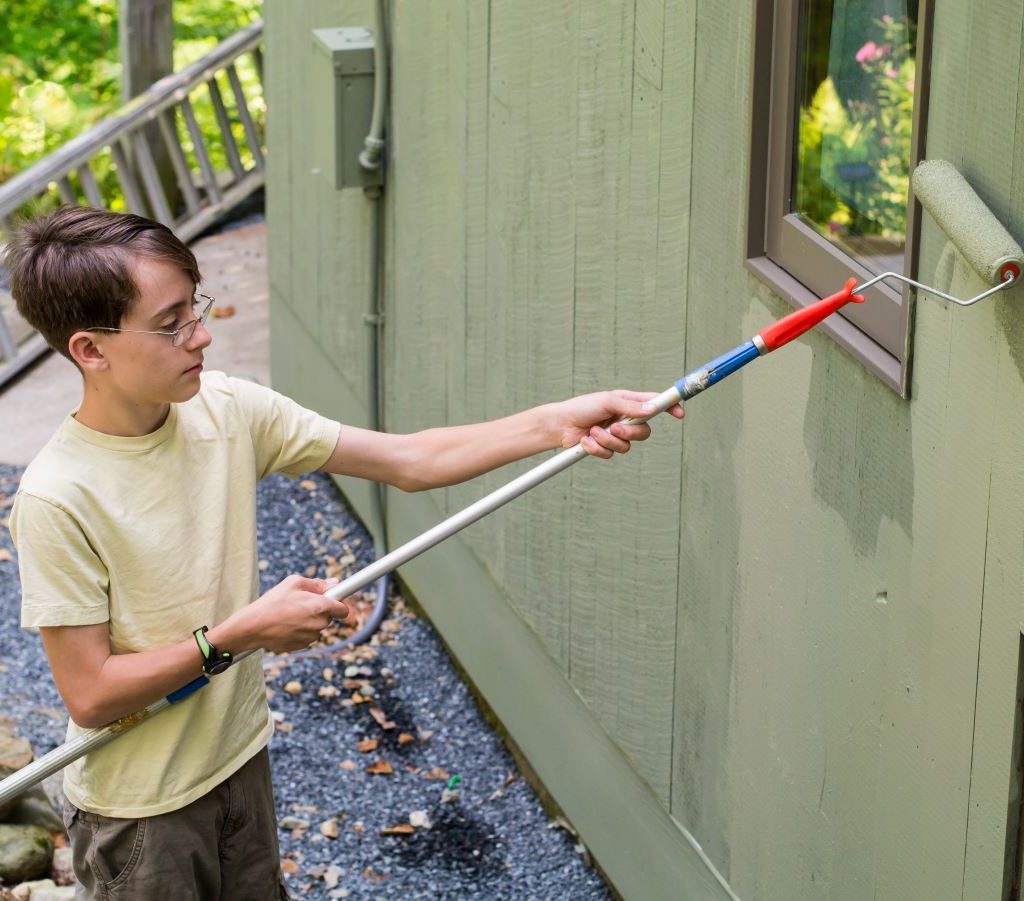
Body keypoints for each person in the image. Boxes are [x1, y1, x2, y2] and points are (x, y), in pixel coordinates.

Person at [4, 206, 683, 900]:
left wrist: (555, 423)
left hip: (239, 764)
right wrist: (239, 634)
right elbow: (90, 691)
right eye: (172, 321)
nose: (202, 334)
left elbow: (410, 458)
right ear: (91, 348)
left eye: (195, 306)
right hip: (140, 813)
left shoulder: (227, 411)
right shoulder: (60, 496)